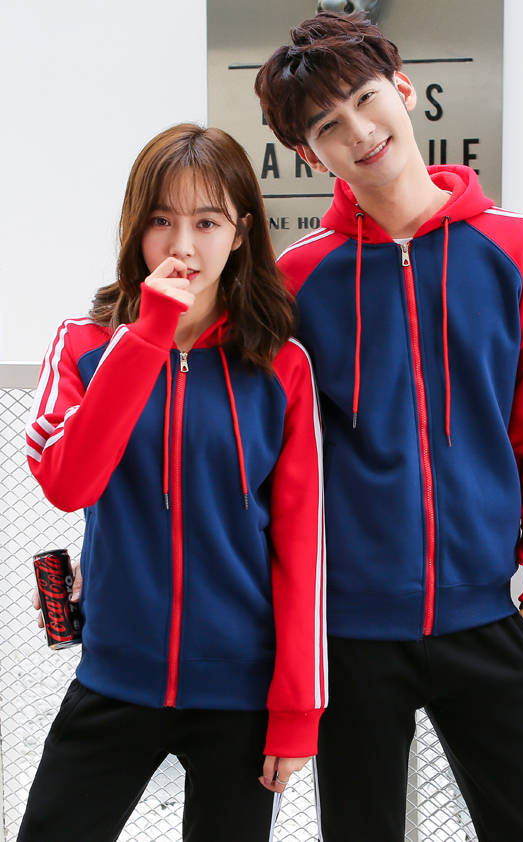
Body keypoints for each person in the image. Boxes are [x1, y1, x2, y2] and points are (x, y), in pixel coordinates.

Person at [255, 12, 523, 842]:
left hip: (488, 621)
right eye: (327, 126)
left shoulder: (514, 248)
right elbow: (273, 457)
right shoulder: (299, 278)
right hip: (350, 634)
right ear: (309, 155)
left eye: (365, 99)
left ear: (402, 90)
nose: (358, 131)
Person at [22, 123, 327, 842]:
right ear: (136, 228)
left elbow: (302, 545)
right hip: (113, 680)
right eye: (161, 220)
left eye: (207, 222)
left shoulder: (280, 366)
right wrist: (148, 334)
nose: (181, 246)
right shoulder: (84, 345)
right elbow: (68, 483)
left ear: (241, 231)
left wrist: (296, 710)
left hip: (240, 695)